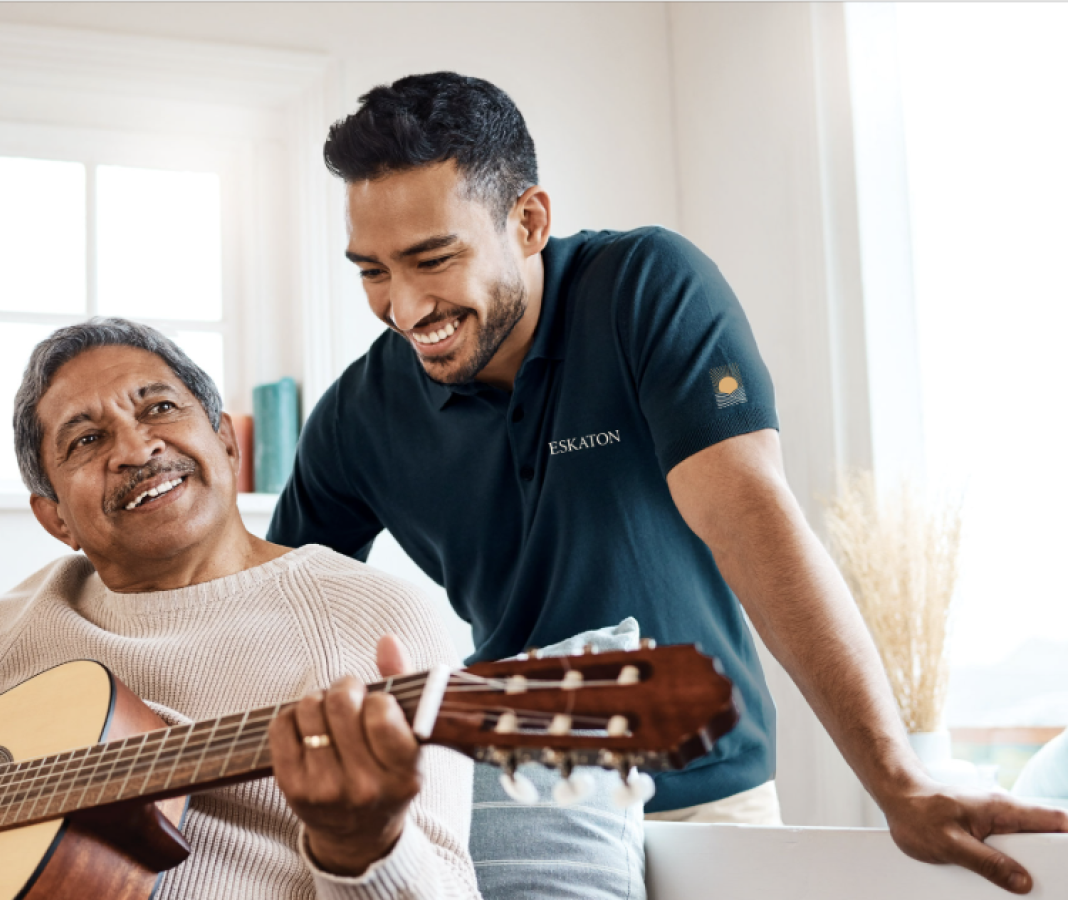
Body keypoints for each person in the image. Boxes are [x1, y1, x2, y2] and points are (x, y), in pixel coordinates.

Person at [267, 71, 1068, 895]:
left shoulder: (643, 287)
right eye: (371, 271)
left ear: (529, 220)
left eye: (432, 259)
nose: (403, 308)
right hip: (515, 806)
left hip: (708, 794)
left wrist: (897, 778)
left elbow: (748, 517)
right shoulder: (357, 417)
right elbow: (266, 604)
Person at [0, 319, 481, 900]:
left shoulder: (377, 618)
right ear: (54, 517)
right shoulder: (16, 626)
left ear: (222, 442)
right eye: (85, 440)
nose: (136, 447)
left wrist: (363, 844)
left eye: (159, 408)